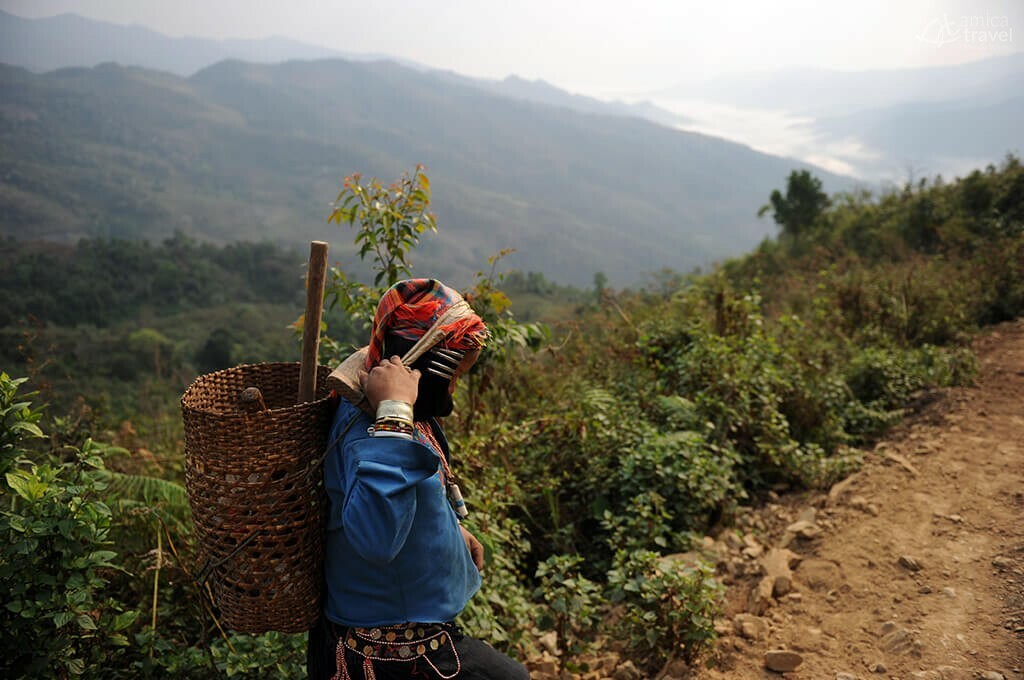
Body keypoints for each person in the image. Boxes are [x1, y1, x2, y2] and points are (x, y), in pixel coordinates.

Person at [308, 279, 530, 680]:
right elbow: (377, 537)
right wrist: (393, 411)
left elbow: (408, 485)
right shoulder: (373, 426)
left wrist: (449, 533)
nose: (453, 390)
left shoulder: (398, 417)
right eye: (452, 375)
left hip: (411, 619)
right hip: (385, 644)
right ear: (420, 367)